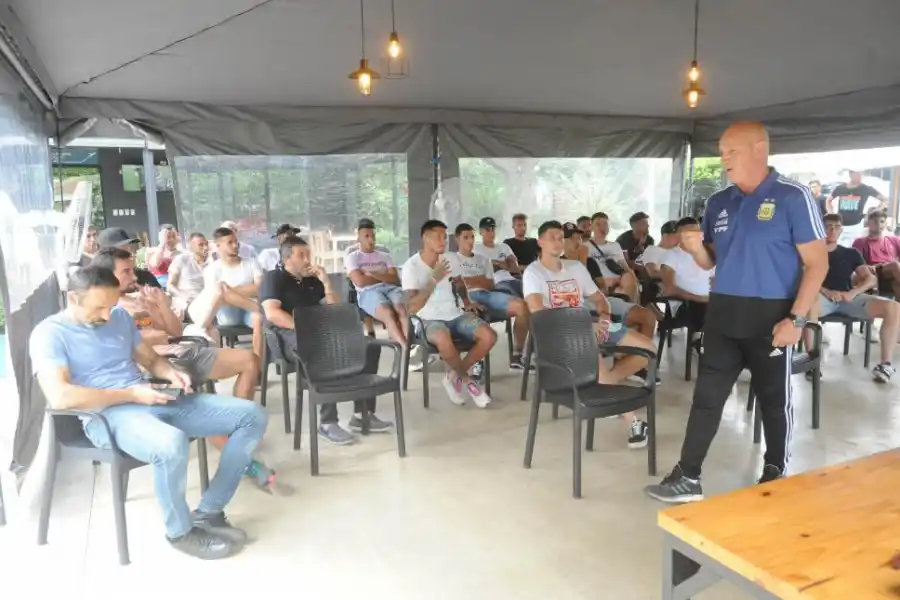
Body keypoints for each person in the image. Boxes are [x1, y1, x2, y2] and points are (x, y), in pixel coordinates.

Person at [645, 121, 828, 504]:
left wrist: (795, 319)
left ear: (760, 148)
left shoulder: (792, 196)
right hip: (725, 312)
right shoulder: (719, 202)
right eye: (722, 151)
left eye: (732, 150)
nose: (724, 158)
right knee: (707, 397)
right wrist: (696, 249)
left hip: (773, 315)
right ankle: (688, 476)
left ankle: (775, 470)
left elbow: (817, 265)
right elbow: (712, 259)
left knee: (774, 398)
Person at [30, 266, 268, 559]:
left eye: (111, 305)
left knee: (251, 415)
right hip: (107, 416)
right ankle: (180, 532)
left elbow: (152, 360)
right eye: (99, 307)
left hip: (151, 396)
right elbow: (61, 396)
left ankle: (209, 511)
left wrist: (171, 374)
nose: (107, 315)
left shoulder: (118, 318)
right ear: (73, 299)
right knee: (170, 444)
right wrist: (131, 394)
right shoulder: (49, 334)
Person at [91, 247, 279, 490]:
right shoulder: (104, 312)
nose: (134, 277)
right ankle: (246, 463)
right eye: (126, 271)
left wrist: (160, 306)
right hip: (155, 368)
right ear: (107, 275)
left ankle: (235, 433)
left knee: (249, 360)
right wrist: (150, 341)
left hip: (180, 351)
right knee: (190, 403)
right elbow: (127, 349)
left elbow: (173, 332)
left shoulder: (138, 298)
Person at [523, 220, 656, 448]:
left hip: (591, 325)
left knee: (648, 349)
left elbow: (598, 298)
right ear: (540, 242)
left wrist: (604, 317)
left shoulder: (575, 268)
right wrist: (582, 328)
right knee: (595, 362)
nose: (557, 241)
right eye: (552, 237)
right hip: (561, 334)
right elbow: (538, 311)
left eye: (560, 237)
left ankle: (609, 384)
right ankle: (634, 422)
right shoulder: (533, 272)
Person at [261, 236, 393, 444]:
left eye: (308, 255)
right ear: (287, 258)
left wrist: (326, 282)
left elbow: (335, 309)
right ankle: (327, 422)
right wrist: (309, 329)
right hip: (285, 335)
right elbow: (272, 313)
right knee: (320, 347)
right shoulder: (274, 278)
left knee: (368, 346)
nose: (307, 260)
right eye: (301, 255)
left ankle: (362, 414)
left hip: (318, 331)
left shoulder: (312, 279)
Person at [402, 220, 498, 407]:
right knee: (442, 335)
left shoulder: (451, 258)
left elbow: (459, 283)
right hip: (427, 320)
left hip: (454, 315)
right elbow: (411, 308)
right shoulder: (411, 267)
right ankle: (469, 381)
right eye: (438, 236)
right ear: (425, 238)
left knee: (489, 335)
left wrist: (468, 301)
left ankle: (454, 375)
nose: (443, 240)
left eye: (445, 236)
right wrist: (432, 280)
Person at [814, 213, 899, 382]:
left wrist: (852, 292)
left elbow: (870, 278)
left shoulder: (850, 253)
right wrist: (826, 291)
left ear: (841, 230)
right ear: (820, 228)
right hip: (820, 298)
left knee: (893, 306)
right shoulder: (811, 252)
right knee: (808, 303)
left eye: (836, 227)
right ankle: (812, 361)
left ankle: (885, 364)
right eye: (828, 226)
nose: (832, 230)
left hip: (848, 299)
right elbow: (801, 278)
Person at [455, 223, 530, 370]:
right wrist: (477, 279)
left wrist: (467, 280)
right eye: (465, 237)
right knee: (474, 314)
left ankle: (517, 355)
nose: (470, 241)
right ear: (457, 239)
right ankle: (477, 364)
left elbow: (489, 284)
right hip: (464, 298)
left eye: (472, 237)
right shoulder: (452, 260)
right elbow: (455, 285)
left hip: (486, 294)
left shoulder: (483, 260)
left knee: (522, 306)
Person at [190, 227, 264, 356]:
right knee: (219, 288)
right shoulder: (211, 270)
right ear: (218, 245)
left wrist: (228, 292)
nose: (235, 245)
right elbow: (214, 298)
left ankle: (258, 364)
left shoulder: (251, 263)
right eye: (230, 242)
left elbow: (260, 289)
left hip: (249, 311)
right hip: (228, 314)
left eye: (236, 241)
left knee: (257, 317)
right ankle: (258, 308)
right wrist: (236, 291)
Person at [345, 218, 410, 348]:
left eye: (373, 236)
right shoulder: (352, 257)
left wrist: (373, 274)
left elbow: (396, 280)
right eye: (367, 236)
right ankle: (405, 347)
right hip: (368, 292)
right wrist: (384, 275)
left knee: (402, 310)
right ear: (358, 237)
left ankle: (409, 346)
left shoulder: (385, 255)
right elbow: (359, 281)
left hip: (391, 289)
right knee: (388, 313)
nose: (371, 240)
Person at [659, 217, 714, 338]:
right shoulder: (671, 255)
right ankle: (700, 343)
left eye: (696, 232)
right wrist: (699, 298)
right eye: (689, 233)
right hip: (685, 305)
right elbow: (669, 288)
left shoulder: (709, 254)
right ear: (679, 235)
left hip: (711, 302)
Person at [583, 212, 639, 303]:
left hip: (619, 280)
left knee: (629, 278)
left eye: (605, 224)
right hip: (600, 281)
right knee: (624, 292)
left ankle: (629, 310)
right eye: (598, 224)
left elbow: (624, 266)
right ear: (591, 227)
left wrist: (633, 277)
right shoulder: (585, 246)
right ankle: (629, 310)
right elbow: (584, 270)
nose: (602, 226)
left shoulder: (615, 246)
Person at [825, 170, 889, 245]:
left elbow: (885, 200)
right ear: (850, 174)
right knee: (838, 249)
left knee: (854, 249)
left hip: (856, 226)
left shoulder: (865, 188)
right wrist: (831, 213)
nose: (860, 176)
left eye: (860, 173)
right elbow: (828, 200)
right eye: (857, 173)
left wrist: (873, 212)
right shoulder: (840, 188)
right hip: (840, 225)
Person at [852, 211, 900, 298]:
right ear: (868, 223)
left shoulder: (894, 240)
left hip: (891, 273)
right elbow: (856, 264)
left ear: (885, 224)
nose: (879, 224)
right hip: (874, 270)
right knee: (895, 265)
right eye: (875, 221)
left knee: (896, 284)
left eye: (882, 221)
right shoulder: (860, 242)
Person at [475, 217, 523, 297]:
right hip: (496, 283)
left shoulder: (504, 247)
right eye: (487, 230)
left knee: (533, 291)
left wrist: (494, 263)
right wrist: (504, 264)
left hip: (511, 279)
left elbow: (515, 268)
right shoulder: (476, 249)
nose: (491, 233)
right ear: (480, 231)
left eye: (493, 229)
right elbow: (479, 269)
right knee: (512, 296)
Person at [168, 232, 211, 319]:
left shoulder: (212, 262)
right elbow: (170, 285)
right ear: (191, 247)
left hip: (208, 302)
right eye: (201, 245)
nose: (206, 247)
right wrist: (183, 297)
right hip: (187, 303)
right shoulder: (182, 260)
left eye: (206, 244)